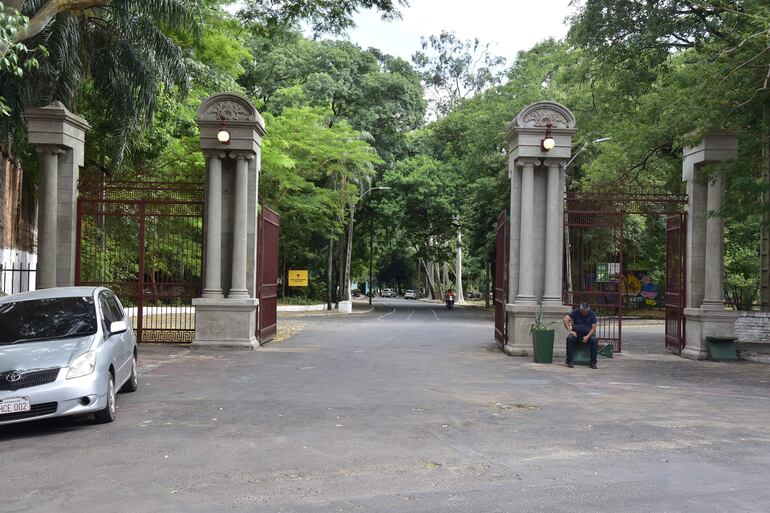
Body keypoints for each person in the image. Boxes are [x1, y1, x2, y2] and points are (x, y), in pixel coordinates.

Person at [563, 302, 598, 369]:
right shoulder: (576, 311)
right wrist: (570, 331)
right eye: (582, 311)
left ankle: (593, 362)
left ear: (588, 310)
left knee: (594, 340)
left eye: (585, 312)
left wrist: (587, 336)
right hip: (576, 334)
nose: (584, 313)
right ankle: (569, 361)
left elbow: (593, 328)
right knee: (570, 338)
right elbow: (565, 319)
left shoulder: (592, 314)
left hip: (588, 335)